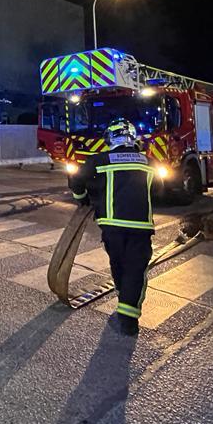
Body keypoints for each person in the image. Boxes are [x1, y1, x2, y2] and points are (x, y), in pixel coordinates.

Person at [68, 118, 155, 336]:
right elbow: (158, 186)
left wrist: (83, 198)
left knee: (119, 265)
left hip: (111, 227)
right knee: (136, 270)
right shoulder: (148, 161)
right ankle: (129, 320)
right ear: (132, 138)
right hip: (140, 227)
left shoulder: (100, 160)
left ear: (110, 138)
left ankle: (122, 300)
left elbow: (76, 179)